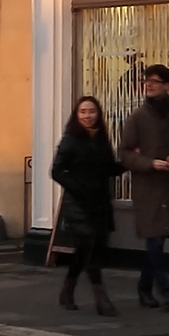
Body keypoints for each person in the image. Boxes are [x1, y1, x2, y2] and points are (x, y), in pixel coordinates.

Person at [120, 63, 169, 311]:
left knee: (157, 241)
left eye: (154, 81)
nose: (149, 85)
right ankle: (166, 288)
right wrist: (149, 163)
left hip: (168, 187)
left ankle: (144, 286)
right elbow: (125, 153)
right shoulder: (138, 117)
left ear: (167, 85)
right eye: (147, 81)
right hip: (147, 187)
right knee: (154, 238)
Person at [51, 95, 122, 317]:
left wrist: (128, 163)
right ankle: (102, 300)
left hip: (100, 204)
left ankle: (67, 291)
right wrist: (78, 187)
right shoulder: (71, 139)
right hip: (79, 206)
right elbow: (57, 171)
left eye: (91, 111)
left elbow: (109, 168)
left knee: (85, 252)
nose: (87, 116)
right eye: (82, 112)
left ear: (98, 114)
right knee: (92, 252)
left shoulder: (101, 139)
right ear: (76, 115)